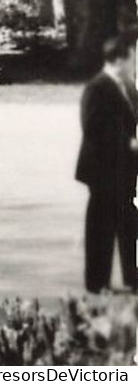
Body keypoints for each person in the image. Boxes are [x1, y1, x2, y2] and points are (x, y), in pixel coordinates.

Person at [77, 32, 138, 293]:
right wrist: (128, 142)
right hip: (102, 170)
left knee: (129, 224)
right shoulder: (98, 87)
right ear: (120, 59)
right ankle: (96, 282)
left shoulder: (129, 87)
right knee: (101, 226)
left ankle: (132, 277)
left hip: (125, 170)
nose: (136, 63)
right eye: (134, 57)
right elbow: (93, 127)